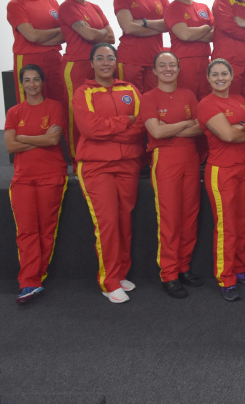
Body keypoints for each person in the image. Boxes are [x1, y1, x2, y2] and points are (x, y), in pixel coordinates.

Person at [73, 43, 146, 304]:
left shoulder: (130, 89)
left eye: (110, 58)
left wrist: (114, 129)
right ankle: (109, 280)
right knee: (107, 223)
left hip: (128, 164)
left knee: (124, 220)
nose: (106, 62)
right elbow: (90, 128)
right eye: (100, 58)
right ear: (91, 63)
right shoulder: (83, 93)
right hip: (96, 166)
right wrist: (123, 122)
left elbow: (140, 124)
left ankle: (121, 272)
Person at [139, 51, 204, 299]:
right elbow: (155, 132)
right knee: (170, 218)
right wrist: (183, 124)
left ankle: (183, 266)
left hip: (189, 158)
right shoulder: (148, 98)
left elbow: (200, 127)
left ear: (178, 68)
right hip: (165, 161)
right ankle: (169, 273)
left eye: (172, 65)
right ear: (154, 71)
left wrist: (170, 128)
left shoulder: (188, 95)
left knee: (190, 215)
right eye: (162, 65)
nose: (168, 68)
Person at [4, 65, 67, 304]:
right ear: (22, 84)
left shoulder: (54, 107)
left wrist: (22, 137)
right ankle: (29, 281)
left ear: (42, 82)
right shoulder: (14, 112)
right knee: (26, 231)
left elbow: (53, 139)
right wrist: (40, 140)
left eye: (36, 79)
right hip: (22, 179)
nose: (32, 84)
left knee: (46, 229)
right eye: (27, 80)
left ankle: (35, 277)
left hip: (51, 176)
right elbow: (11, 147)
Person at [198, 59, 245, 302]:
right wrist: (243, 129)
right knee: (226, 226)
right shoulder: (206, 104)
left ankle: (239, 269)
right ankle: (226, 278)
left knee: (243, 223)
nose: (220, 78)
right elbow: (227, 136)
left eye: (224, 73)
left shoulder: (242, 101)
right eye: (215, 74)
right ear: (208, 78)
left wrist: (239, 127)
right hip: (221, 171)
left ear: (232, 76)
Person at [58, 0, 115, 160]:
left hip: (98, 65)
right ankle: (77, 159)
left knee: (98, 110)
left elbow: (112, 37)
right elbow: (88, 33)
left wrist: (95, 34)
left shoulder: (94, 7)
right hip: (76, 66)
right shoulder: (66, 7)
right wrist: (98, 33)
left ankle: (97, 154)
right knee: (77, 114)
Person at [7, 0, 64, 106]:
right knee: (32, 104)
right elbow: (31, 36)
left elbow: (65, 36)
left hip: (54, 60)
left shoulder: (52, 2)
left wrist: (41, 38)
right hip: (29, 60)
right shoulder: (15, 5)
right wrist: (58, 30)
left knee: (59, 102)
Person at [113, 0, 170, 93]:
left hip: (155, 61)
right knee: (131, 104)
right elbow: (128, 28)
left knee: (152, 103)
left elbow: (169, 25)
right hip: (130, 60)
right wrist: (158, 26)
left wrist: (143, 22)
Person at [165, 0, 214, 99]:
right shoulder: (172, 8)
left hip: (205, 62)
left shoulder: (203, 7)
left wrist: (194, 34)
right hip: (184, 63)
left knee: (205, 101)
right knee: (186, 101)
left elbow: (215, 34)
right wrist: (206, 27)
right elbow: (184, 35)